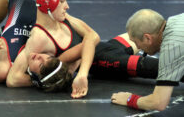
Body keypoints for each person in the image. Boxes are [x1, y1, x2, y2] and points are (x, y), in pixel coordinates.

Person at [0, 0, 100, 98]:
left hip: (40, 19)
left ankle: (0, 32)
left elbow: (93, 37)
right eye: (62, 1)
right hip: (26, 18)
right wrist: (47, 79)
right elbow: (12, 79)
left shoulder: (62, 19)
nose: (67, 6)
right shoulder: (39, 38)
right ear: (50, 2)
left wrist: (81, 73)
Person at [28, 32, 159, 94]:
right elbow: (90, 39)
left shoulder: (59, 60)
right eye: (41, 64)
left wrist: (81, 72)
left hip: (104, 50)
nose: (40, 56)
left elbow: (90, 39)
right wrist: (82, 74)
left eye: (49, 58)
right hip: (104, 60)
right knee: (155, 66)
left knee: (146, 31)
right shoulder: (62, 60)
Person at [111, 9, 184, 111]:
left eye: (136, 42)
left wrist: (129, 99)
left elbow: (158, 103)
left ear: (147, 38)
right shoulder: (175, 20)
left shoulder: (171, 47)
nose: (138, 47)